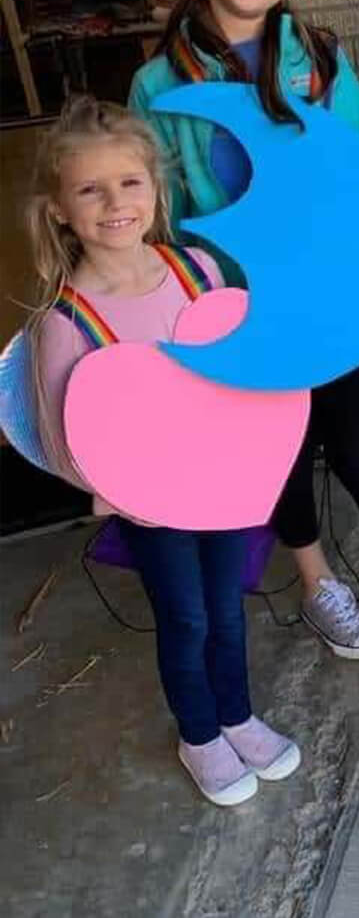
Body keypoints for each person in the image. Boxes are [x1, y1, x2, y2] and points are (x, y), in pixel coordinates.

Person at [130, 0, 359, 659]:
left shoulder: (318, 60)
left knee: (357, 446)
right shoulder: (156, 84)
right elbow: (160, 213)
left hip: (325, 301)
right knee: (281, 458)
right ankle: (317, 584)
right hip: (237, 310)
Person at [27, 96, 300, 807]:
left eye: (129, 182)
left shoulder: (198, 272)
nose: (114, 202)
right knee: (186, 615)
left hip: (220, 481)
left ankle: (236, 712)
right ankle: (199, 731)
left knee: (228, 604)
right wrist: (112, 484)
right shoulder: (67, 318)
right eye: (90, 188)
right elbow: (65, 436)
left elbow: (239, 366)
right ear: (59, 207)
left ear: (156, 188)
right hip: (152, 504)